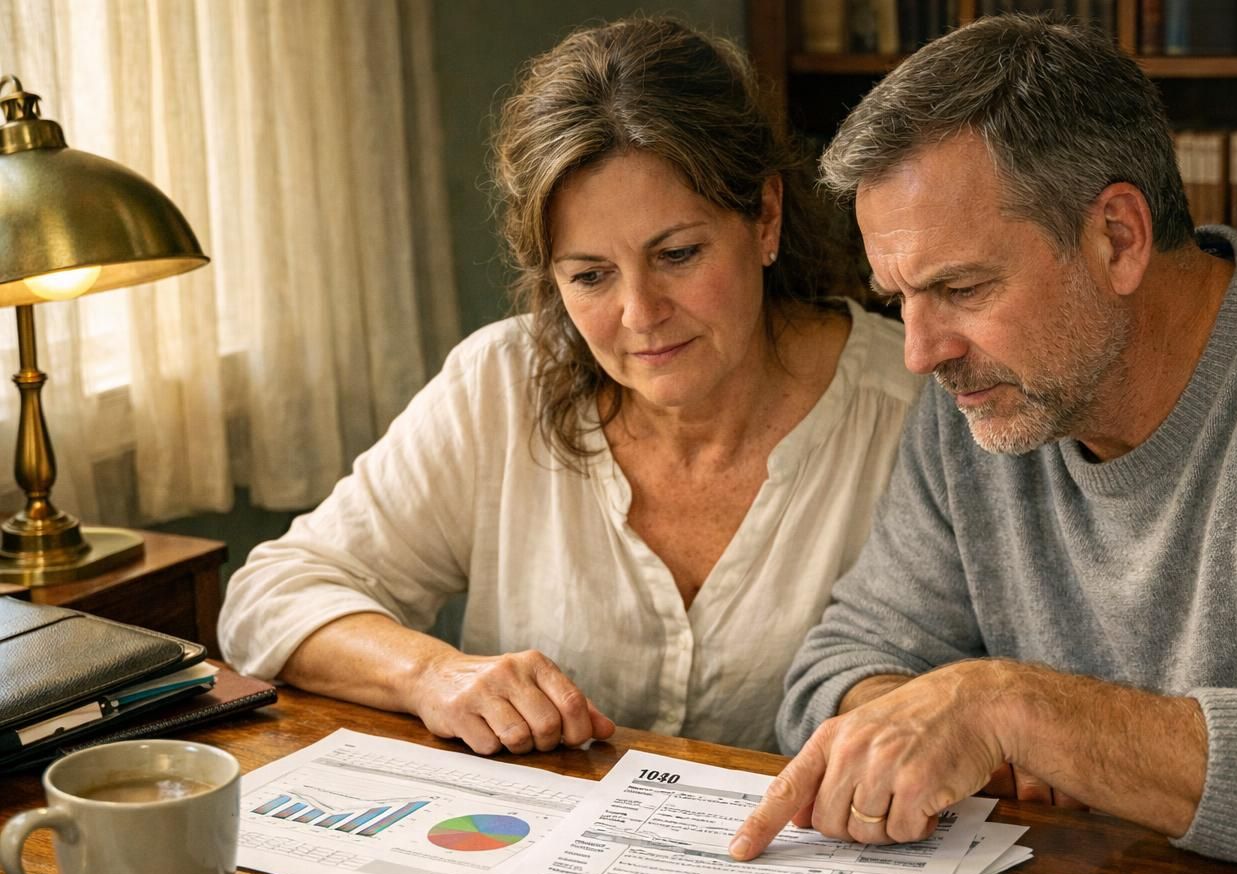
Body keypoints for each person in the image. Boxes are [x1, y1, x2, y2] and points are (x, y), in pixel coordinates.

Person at [730, 13, 1237, 874]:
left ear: (1118, 236)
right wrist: (924, 729)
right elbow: (835, 672)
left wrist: (1013, 711)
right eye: (899, 299)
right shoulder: (984, 396)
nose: (922, 350)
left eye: (961, 287)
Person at [218, 17, 918, 755]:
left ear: (765, 217)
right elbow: (271, 595)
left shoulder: (914, 410)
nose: (640, 315)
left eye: (678, 254)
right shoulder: (500, 384)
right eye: (590, 275)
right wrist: (431, 673)